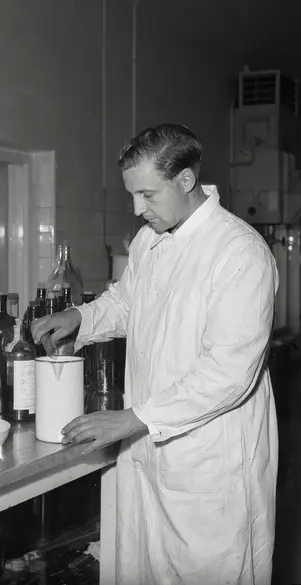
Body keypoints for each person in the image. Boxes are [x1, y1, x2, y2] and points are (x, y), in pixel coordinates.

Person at [32, 124, 279, 585]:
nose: (137, 208)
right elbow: (127, 303)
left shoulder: (239, 252)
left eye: (147, 194)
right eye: (132, 194)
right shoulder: (151, 240)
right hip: (149, 448)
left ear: (186, 180)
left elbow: (228, 373)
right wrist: (80, 318)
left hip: (208, 459)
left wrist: (134, 418)